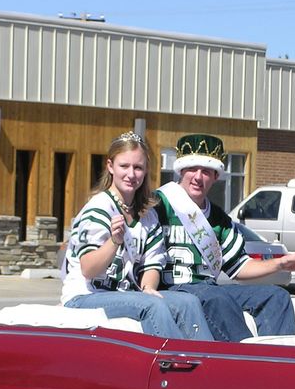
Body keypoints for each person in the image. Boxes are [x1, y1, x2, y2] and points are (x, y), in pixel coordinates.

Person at [155, 133, 295, 341]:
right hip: (172, 290)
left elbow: (239, 268)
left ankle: (277, 362)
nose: (198, 177)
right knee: (217, 298)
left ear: (216, 176)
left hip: (208, 290)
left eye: (206, 171)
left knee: (276, 296)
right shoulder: (158, 205)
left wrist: (281, 264)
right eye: (192, 169)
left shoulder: (220, 219)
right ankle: (248, 361)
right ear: (180, 171)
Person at [61, 131, 213, 341]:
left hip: (125, 295)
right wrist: (114, 242)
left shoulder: (148, 215)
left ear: (146, 171)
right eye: (124, 166)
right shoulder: (98, 208)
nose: (131, 174)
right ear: (110, 166)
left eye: (138, 167)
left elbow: (152, 264)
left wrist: (148, 287)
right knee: (152, 306)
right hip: (86, 296)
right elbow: (88, 269)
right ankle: (174, 361)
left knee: (188, 302)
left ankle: (206, 362)